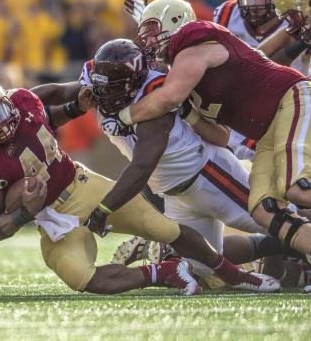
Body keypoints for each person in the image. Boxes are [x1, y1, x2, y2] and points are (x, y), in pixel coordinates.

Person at [91, 0, 311, 294]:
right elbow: (222, 136)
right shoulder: (182, 71)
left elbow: (168, 99)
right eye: (143, 32)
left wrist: (123, 116)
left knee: (296, 191)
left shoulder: (193, 45)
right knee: (266, 210)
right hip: (262, 131)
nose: (146, 39)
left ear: (174, 23)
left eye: (151, 29)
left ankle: (297, 260)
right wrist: (189, 115)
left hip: (291, 103)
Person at [0, 81, 277, 296]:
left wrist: (76, 105)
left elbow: (45, 117)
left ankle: (237, 276)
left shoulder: (24, 103)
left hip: (82, 185)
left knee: (163, 227)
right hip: (51, 218)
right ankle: (163, 271)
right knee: (78, 276)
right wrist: (26, 210)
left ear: (8, 103)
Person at [76, 39, 284, 283]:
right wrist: (26, 101)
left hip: (206, 174)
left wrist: (103, 209)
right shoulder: (96, 90)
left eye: (114, 86)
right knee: (201, 265)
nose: (105, 93)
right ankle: (283, 250)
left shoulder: (156, 95)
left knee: (282, 223)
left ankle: (309, 249)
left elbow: (143, 166)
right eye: (103, 85)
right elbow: (56, 94)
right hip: (175, 193)